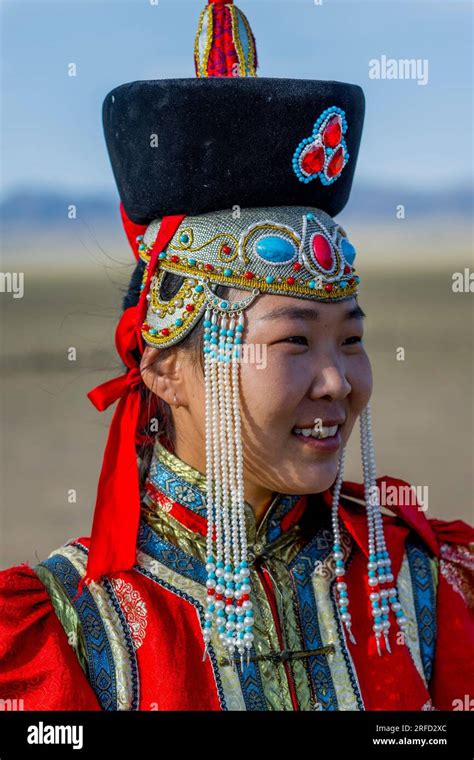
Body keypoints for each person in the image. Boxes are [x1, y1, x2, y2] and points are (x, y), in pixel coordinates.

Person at [0, 0, 472, 712]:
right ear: (163, 366)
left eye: (351, 338)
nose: (338, 380)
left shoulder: (428, 584)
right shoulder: (65, 631)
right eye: (293, 340)